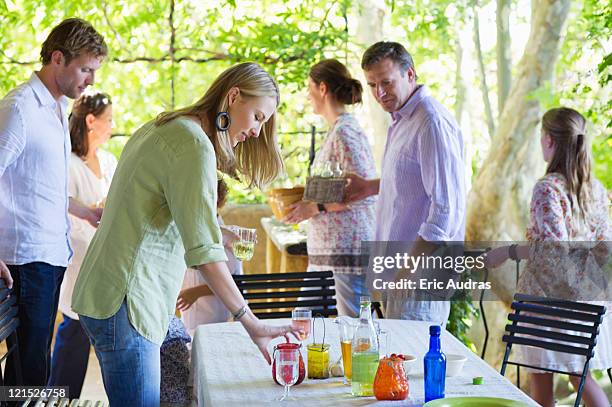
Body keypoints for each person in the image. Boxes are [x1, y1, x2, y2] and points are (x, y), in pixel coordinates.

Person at [71, 62, 301, 406]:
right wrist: (251, 323)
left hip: (110, 294)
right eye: (257, 117)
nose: (256, 131)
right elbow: (203, 252)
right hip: (127, 302)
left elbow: (164, 213)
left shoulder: (166, 126)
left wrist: (221, 231)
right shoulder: (194, 145)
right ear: (234, 96)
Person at [0, 18, 107, 386]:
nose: (91, 80)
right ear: (58, 58)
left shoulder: (56, 108)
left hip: (51, 255)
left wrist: (87, 213)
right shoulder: (19, 108)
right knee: (27, 376)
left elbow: (41, 187)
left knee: (33, 371)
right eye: (85, 69)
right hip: (25, 260)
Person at [485, 107, 611, 407]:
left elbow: (553, 251)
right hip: (588, 301)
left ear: (550, 141)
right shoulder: (597, 190)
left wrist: (508, 251)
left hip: (546, 301)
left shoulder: (547, 188)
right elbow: (604, 247)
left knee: (541, 383)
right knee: (582, 379)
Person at [344, 41, 466, 324]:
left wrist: (404, 273)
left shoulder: (430, 122)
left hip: (417, 283)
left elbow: (445, 212)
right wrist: (370, 187)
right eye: (372, 85)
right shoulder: (402, 118)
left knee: (413, 368)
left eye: (386, 82)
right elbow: (412, 184)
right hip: (395, 278)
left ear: (410, 74)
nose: (380, 93)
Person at [283, 59, 377, 317]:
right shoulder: (337, 130)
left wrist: (315, 206)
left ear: (322, 88)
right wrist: (308, 194)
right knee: (301, 323)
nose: (307, 95)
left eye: (309, 87)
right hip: (327, 255)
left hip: (346, 255)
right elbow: (341, 184)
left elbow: (364, 192)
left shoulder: (346, 131)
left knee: (356, 331)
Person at [47, 92, 116, 398]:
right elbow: (60, 206)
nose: (113, 125)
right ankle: (58, 397)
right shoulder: (69, 164)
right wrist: (91, 209)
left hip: (108, 257)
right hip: (79, 254)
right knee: (74, 328)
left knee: (95, 332)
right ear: (91, 121)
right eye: (109, 119)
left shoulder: (110, 160)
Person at [177, 177, 244, 334]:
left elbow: (234, 282)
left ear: (218, 200)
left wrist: (196, 292)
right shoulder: (185, 229)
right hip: (189, 318)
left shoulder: (231, 237)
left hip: (217, 319)